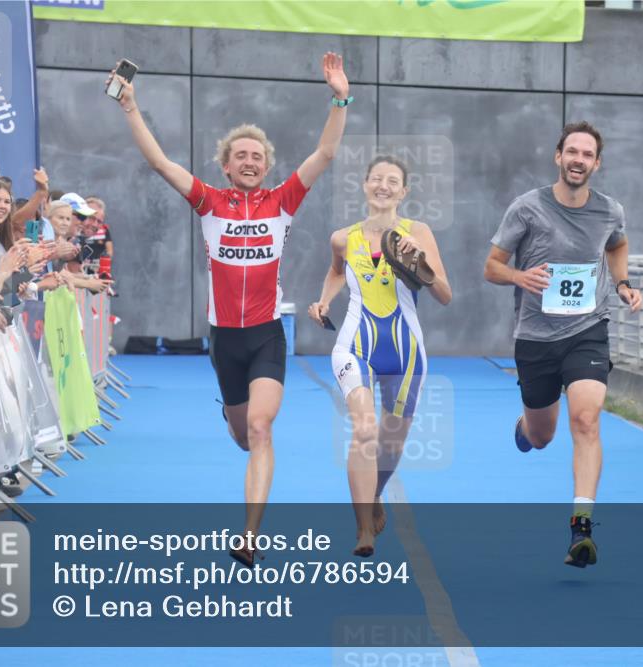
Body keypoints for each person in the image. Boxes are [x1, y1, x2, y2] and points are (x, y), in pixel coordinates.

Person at [108, 52, 351, 567]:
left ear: (266, 164)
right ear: (225, 164)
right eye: (239, 155)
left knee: (262, 430)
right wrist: (131, 106)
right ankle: (230, 411)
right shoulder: (209, 202)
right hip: (225, 341)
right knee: (243, 437)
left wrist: (339, 97)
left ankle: (249, 535)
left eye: (256, 156)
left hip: (266, 335)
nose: (248, 161)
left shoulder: (283, 201)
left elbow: (325, 153)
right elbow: (160, 163)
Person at [484, 121, 643, 569]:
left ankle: (582, 525)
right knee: (542, 436)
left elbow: (618, 244)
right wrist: (520, 276)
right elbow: (491, 267)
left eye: (587, 154)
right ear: (558, 157)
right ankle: (526, 425)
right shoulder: (527, 208)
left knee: (587, 418)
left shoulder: (609, 210)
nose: (578, 160)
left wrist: (624, 282)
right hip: (535, 337)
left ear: (597, 163)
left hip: (587, 329)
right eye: (571, 152)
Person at [308, 155, 451, 557]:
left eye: (393, 181)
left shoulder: (418, 232)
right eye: (376, 179)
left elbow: (444, 294)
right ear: (365, 185)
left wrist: (417, 260)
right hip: (355, 344)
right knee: (365, 430)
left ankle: (375, 495)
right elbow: (337, 271)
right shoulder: (343, 237)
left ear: (404, 191)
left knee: (393, 442)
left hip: (406, 350)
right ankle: (363, 529)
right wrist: (323, 302)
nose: (383, 186)